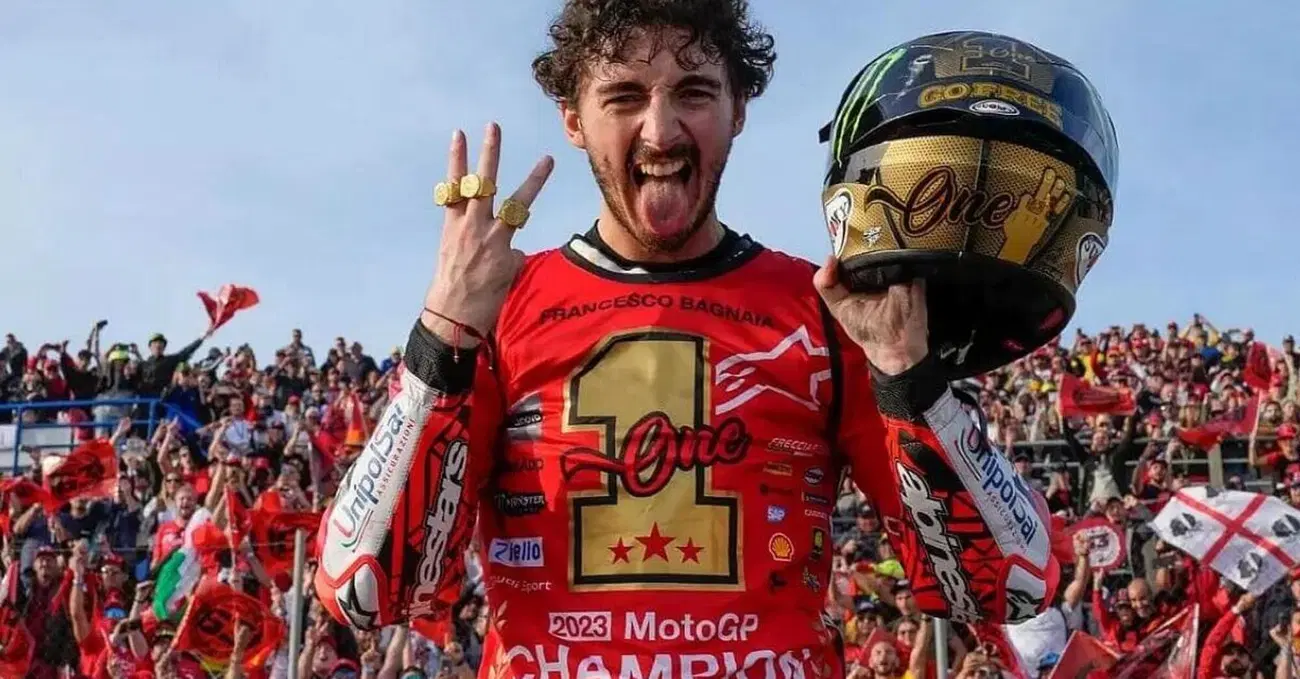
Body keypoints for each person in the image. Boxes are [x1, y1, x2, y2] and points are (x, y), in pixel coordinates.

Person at [315, 2, 1058, 676]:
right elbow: (364, 589)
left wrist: (909, 377)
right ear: (572, 119)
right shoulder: (496, 308)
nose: (662, 130)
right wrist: (442, 336)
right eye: (624, 97)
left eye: (695, 93)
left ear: (739, 110)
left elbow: (1012, 585)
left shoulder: (829, 309)